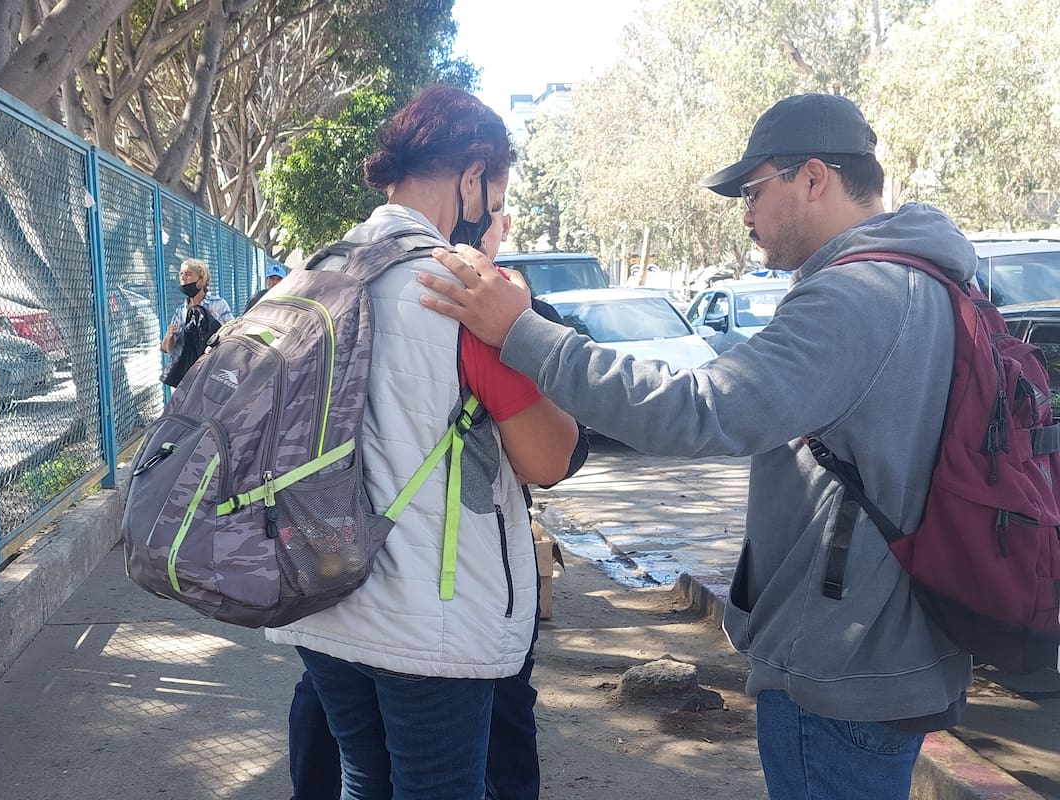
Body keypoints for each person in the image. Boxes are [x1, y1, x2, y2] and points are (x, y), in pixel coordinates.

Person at [418, 93, 975, 800]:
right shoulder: (932, 275)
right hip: (897, 644)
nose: (745, 212)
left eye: (753, 190)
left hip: (840, 667)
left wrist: (525, 333)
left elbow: (700, 410)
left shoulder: (856, 296)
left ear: (813, 177)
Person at [264, 84, 579, 800]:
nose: (491, 212)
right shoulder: (465, 294)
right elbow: (548, 458)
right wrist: (524, 330)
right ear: (472, 177)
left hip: (322, 599)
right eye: (494, 194)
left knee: (363, 781)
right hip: (430, 625)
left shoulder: (313, 276)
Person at [160, 257, 234, 354]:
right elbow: (167, 350)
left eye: (188, 274)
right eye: (181, 274)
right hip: (189, 367)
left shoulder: (218, 304)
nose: (183, 277)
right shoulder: (180, 312)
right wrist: (169, 336)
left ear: (201, 280)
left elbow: (233, 332)